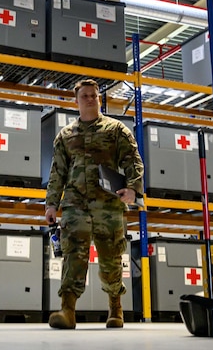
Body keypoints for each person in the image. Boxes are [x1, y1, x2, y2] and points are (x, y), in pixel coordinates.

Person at [44, 78, 145, 329]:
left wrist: (133, 189)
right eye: (85, 95)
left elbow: (133, 160)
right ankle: (67, 310)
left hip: (109, 207)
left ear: (99, 99)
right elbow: (57, 171)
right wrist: (51, 204)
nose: (90, 99)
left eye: (94, 95)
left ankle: (115, 308)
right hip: (75, 206)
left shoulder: (116, 130)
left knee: (111, 260)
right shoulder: (65, 135)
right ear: (76, 100)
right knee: (73, 258)